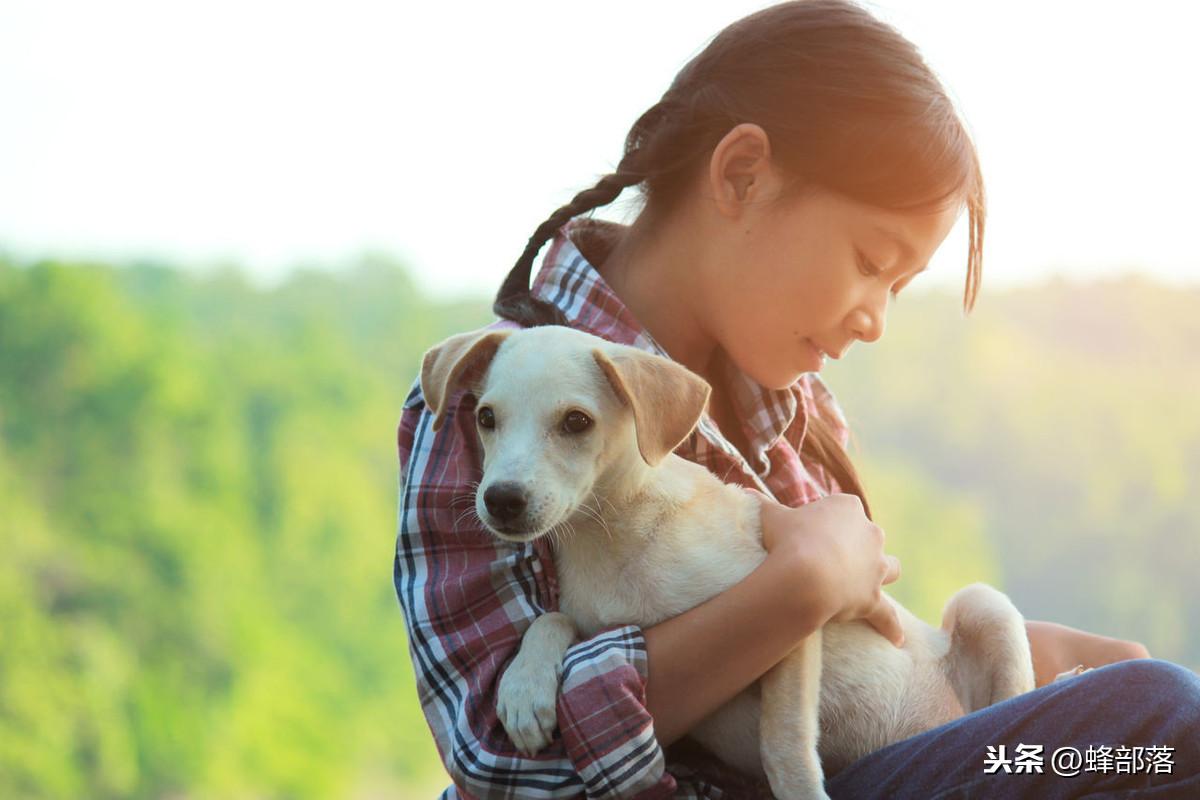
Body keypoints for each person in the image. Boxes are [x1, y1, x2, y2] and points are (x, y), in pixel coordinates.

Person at [394, 1, 1200, 797]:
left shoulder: (797, 416)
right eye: (869, 260)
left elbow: (865, 658)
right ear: (742, 174)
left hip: (886, 750)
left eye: (899, 286)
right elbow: (504, 760)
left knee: (1154, 745)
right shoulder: (487, 400)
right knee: (1164, 714)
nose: (875, 319)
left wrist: (1022, 674)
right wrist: (798, 587)